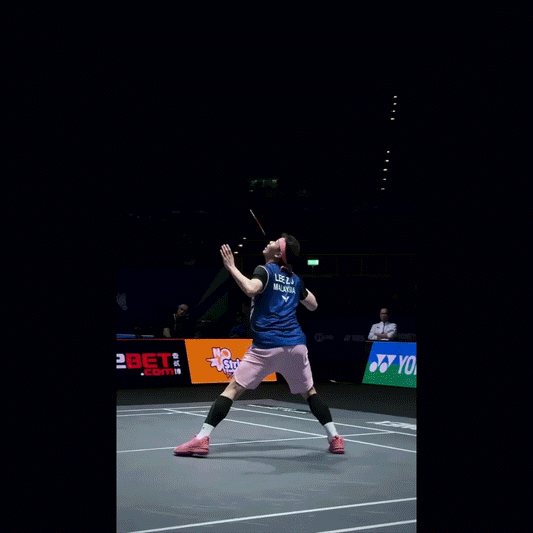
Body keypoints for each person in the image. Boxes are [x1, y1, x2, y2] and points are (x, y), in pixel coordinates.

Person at [174, 234, 345, 456]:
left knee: (233, 389)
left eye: (275, 242)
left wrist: (231, 267)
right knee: (309, 392)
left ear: (279, 253)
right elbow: (313, 305)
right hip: (295, 346)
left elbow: (251, 289)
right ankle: (335, 438)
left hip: (266, 345)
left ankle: (201, 438)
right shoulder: (295, 279)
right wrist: (293, 284)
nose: (269, 242)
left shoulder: (264, 271)